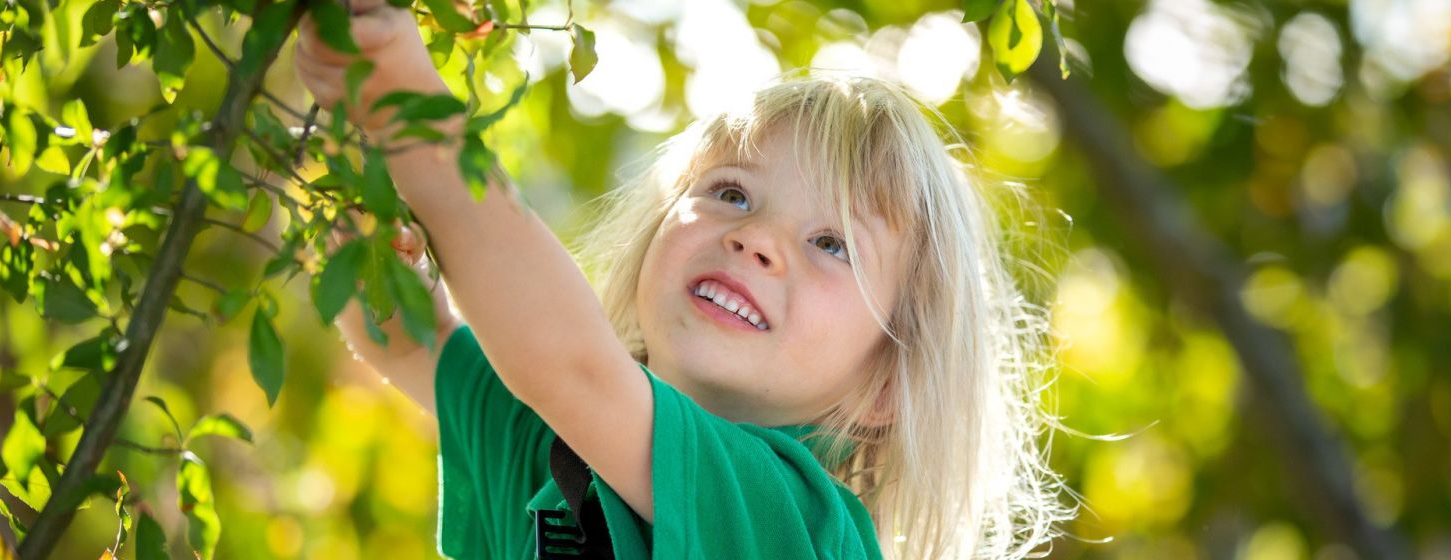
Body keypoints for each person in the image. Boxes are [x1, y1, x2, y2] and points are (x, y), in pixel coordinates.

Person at [295, 1, 1076, 558]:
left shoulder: (800, 525)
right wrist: (356, 186)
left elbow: (567, 367)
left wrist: (402, 105)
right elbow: (415, 345)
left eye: (832, 243)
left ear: (883, 389)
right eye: (732, 192)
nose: (756, 239)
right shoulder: (553, 438)